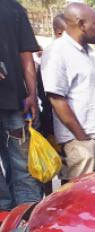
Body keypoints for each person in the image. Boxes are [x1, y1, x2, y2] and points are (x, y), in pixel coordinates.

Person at [41, 2, 95, 180]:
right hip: (82, 140)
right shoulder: (58, 51)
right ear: (81, 24)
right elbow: (56, 97)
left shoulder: (88, 54)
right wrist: (81, 136)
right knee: (82, 199)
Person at [0, 0, 43, 211]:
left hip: (15, 103)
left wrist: (32, 94)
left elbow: (26, 53)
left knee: (23, 169)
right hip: (14, 103)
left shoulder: (13, 7)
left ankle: (26, 227)